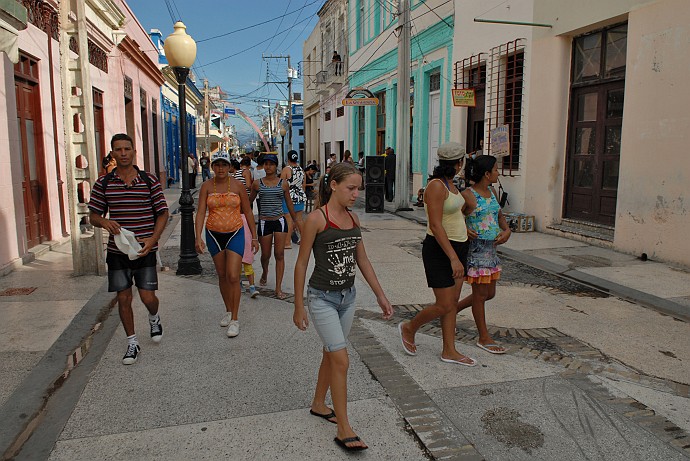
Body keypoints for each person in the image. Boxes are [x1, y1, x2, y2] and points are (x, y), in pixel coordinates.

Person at [293, 162, 393, 452]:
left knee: (331, 354)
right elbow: (301, 264)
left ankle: (317, 404)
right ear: (333, 185)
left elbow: (362, 260)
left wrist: (380, 295)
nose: (355, 194)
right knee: (342, 360)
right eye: (351, 188)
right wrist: (298, 305)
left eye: (358, 188)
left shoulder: (353, 219)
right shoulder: (316, 219)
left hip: (347, 298)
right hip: (322, 298)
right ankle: (344, 427)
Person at [88, 133, 169, 365]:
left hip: (144, 249)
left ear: (134, 152)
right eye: (118, 149)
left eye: (127, 149)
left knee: (147, 297)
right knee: (123, 298)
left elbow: (162, 212)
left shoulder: (149, 180)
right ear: (112, 153)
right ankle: (132, 342)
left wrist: (153, 241)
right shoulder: (103, 183)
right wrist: (104, 222)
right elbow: (93, 215)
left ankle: (154, 317)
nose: (123, 153)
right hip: (117, 251)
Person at [398, 142, 478, 366]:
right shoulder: (436, 186)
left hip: (460, 245)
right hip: (440, 250)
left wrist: (464, 226)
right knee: (443, 304)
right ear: (459, 162)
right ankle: (409, 327)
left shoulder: (452, 185)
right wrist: (452, 258)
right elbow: (435, 224)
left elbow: (452, 215)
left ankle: (449, 350)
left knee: (452, 302)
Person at [195, 151, 259, 337]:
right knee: (222, 275)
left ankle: (235, 319)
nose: (220, 168)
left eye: (224, 165)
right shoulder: (207, 186)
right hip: (213, 234)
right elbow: (200, 212)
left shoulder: (238, 185)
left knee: (233, 275)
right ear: (212, 167)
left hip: (235, 233)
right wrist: (197, 236)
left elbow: (247, 212)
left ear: (229, 166)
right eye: (217, 165)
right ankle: (228, 310)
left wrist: (254, 237)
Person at [455, 155, 511, 354]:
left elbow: (499, 214)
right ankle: (483, 338)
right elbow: (453, 215)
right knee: (479, 296)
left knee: (489, 294)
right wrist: (463, 228)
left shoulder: (492, 191)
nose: (498, 173)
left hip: (492, 251)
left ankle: (451, 311)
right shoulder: (467, 195)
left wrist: (507, 231)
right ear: (487, 174)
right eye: (496, 170)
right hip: (476, 252)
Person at [249, 153, 302, 299]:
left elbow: (289, 202)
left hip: (279, 221)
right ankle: (265, 271)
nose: (268, 166)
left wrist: (295, 220)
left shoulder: (283, 183)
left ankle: (278, 288)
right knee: (265, 255)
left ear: (275, 166)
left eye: (271, 164)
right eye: (266, 164)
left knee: (279, 254)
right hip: (264, 222)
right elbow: (249, 202)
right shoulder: (257, 183)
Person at [280, 150, 307, 249]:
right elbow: (303, 185)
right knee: (299, 219)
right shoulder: (301, 169)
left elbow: (281, 184)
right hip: (299, 196)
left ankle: (287, 243)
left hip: (289, 197)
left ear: (288, 158)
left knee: (289, 219)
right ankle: (305, 240)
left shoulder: (287, 169)